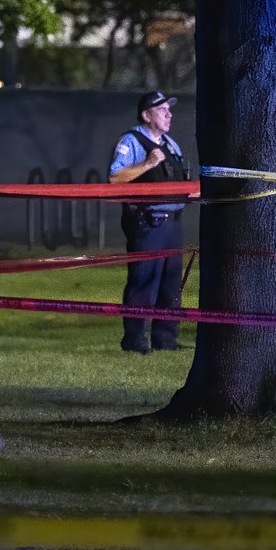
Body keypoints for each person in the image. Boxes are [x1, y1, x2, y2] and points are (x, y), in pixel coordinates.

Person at [109, 91, 190, 354]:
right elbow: (115, 178)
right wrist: (147, 163)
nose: (169, 114)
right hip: (149, 223)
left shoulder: (171, 144)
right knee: (144, 282)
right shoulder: (131, 141)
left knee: (170, 285)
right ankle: (135, 342)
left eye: (169, 109)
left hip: (173, 222)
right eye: (162, 109)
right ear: (146, 115)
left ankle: (165, 341)